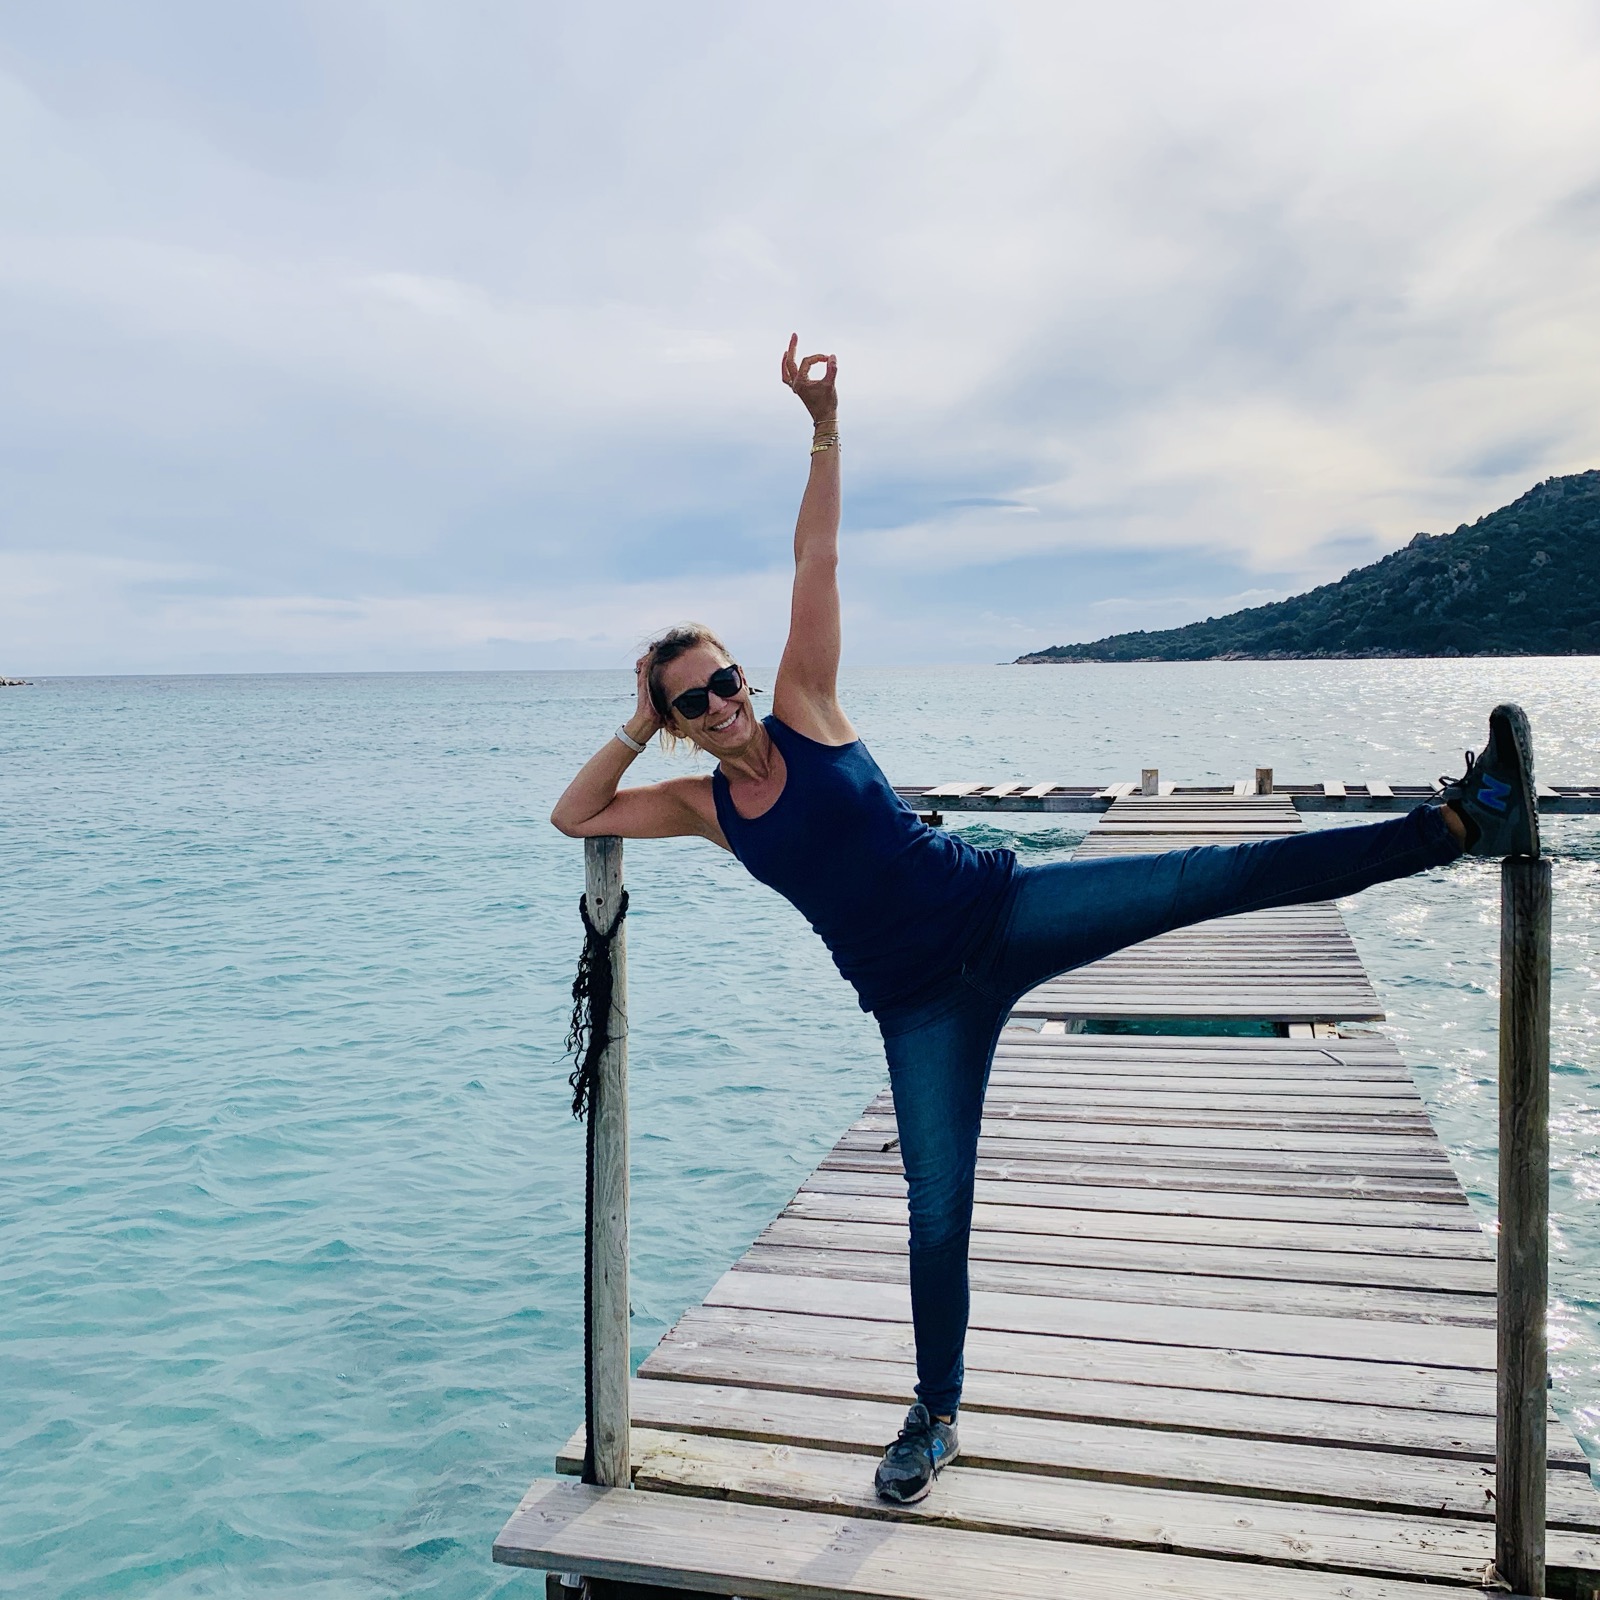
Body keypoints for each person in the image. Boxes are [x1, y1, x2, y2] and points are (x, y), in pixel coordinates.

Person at [550, 336, 1541, 1506]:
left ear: (747, 678)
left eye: (724, 680)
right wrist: (632, 717)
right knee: (935, 1211)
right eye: (690, 700)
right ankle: (934, 1417)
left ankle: (1462, 822)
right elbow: (576, 815)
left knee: (1217, 873)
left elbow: (817, 556)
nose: (720, 701)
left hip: (1005, 908)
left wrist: (821, 428)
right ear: (674, 720)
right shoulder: (701, 806)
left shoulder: (806, 701)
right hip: (918, 1007)